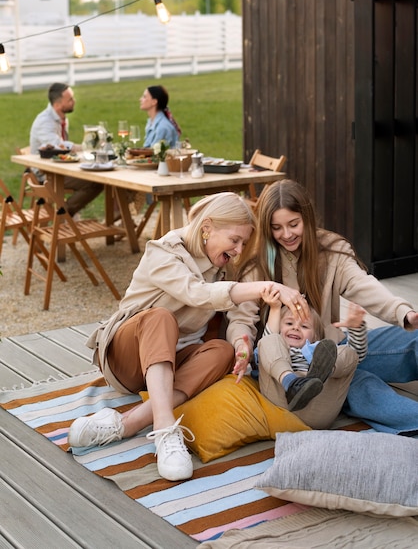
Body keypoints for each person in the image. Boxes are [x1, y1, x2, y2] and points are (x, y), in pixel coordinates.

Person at [68, 192, 294, 482]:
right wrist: (265, 287)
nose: (239, 250)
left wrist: (241, 343)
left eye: (243, 243)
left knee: (222, 350)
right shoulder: (163, 251)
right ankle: (165, 431)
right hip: (127, 359)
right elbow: (196, 293)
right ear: (208, 227)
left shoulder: (226, 265)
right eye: (234, 240)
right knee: (162, 317)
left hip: (175, 363)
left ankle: (127, 423)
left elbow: (239, 315)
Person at [226, 179, 418, 435]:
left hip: (335, 351)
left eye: (294, 224)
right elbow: (241, 319)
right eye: (277, 228)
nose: (287, 234)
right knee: (362, 385)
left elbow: (362, 285)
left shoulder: (332, 250)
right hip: (291, 366)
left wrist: (404, 312)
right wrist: (242, 346)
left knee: (411, 339)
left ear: (307, 217)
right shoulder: (258, 263)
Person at [254, 291, 367, 427]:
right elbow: (270, 336)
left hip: (317, 406)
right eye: (289, 323)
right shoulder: (275, 344)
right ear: (279, 328)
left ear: (315, 336)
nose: (295, 327)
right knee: (268, 342)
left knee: (347, 352)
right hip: (280, 405)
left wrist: (356, 329)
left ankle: (326, 369)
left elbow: (355, 357)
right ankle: (291, 382)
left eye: (304, 326)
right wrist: (275, 307)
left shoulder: (317, 348)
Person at [29, 83, 103, 216]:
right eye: (70, 100)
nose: (74, 101)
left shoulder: (59, 117)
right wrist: (87, 147)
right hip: (46, 173)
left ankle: (65, 214)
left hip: (58, 167)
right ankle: (64, 214)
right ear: (57, 105)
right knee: (95, 182)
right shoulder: (45, 122)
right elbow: (60, 147)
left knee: (96, 174)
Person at [140, 85, 180, 149]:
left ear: (154, 102)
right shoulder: (151, 122)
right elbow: (147, 148)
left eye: (144, 97)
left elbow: (155, 155)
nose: (140, 99)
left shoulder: (162, 127)